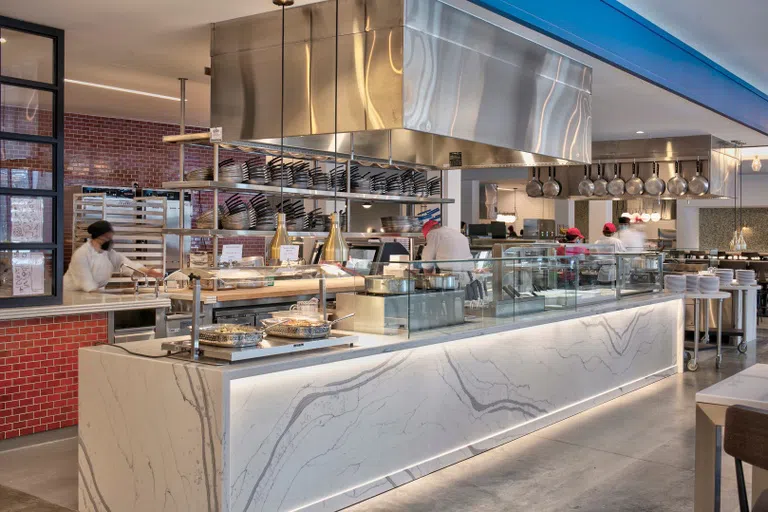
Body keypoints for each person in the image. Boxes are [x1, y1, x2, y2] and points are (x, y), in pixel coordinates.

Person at [64, 220, 163, 292]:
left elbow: (125, 263)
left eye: (110, 238)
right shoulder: (81, 254)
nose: (110, 241)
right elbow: (87, 284)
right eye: (107, 237)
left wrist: (147, 271)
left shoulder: (108, 253)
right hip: (73, 295)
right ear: (98, 236)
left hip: (94, 294)